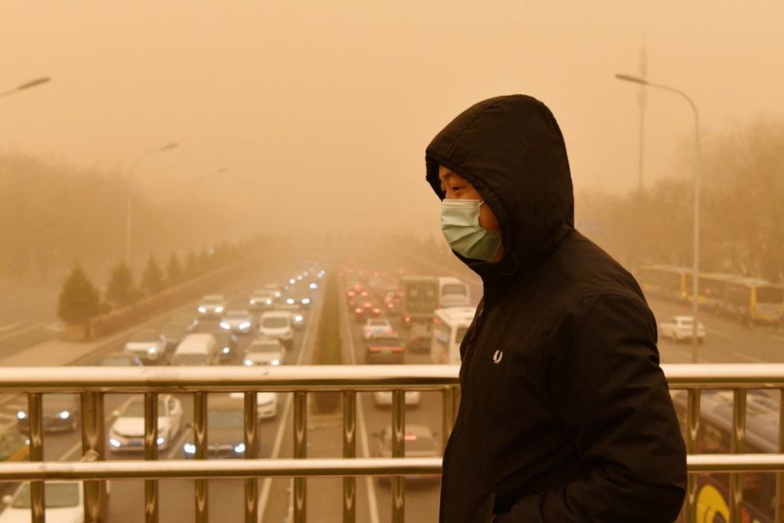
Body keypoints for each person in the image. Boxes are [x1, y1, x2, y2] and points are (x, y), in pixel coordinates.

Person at [425, 94, 687, 522]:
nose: (449, 208)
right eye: (443, 191)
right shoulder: (511, 282)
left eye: (459, 188)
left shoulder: (591, 305)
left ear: (509, 187)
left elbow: (647, 482)